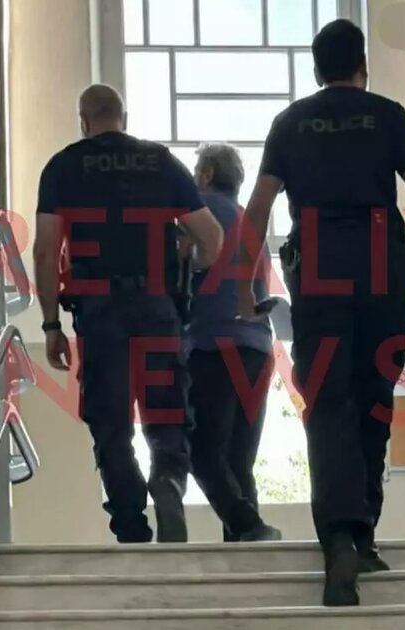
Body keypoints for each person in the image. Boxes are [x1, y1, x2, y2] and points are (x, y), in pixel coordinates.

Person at [235, 20, 405, 605]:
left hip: (318, 264)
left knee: (327, 397)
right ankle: (362, 534)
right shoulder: (388, 114)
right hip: (380, 263)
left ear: (317, 70)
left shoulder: (289, 122)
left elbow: (259, 207)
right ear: (363, 66)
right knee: (374, 395)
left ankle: (340, 536)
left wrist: (242, 280)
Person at [33, 84, 224, 544]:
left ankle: (131, 525)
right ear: (125, 117)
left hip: (99, 312)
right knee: (167, 412)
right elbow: (212, 236)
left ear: (84, 121)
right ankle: (168, 481)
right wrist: (192, 271)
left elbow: (44, 251)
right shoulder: (161, 162)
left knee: (111, 423)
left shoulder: (63, 167)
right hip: (158, 307)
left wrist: (51, 324)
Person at [182, 143, 282, 543]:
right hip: (257, 349)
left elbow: (176, 266)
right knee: (238, 461)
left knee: (201, 450)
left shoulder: (197, 213)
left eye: (196, 172)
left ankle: (248, 526)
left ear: (206, 175)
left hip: (214, 346)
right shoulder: (248, 221)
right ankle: (251, 551)